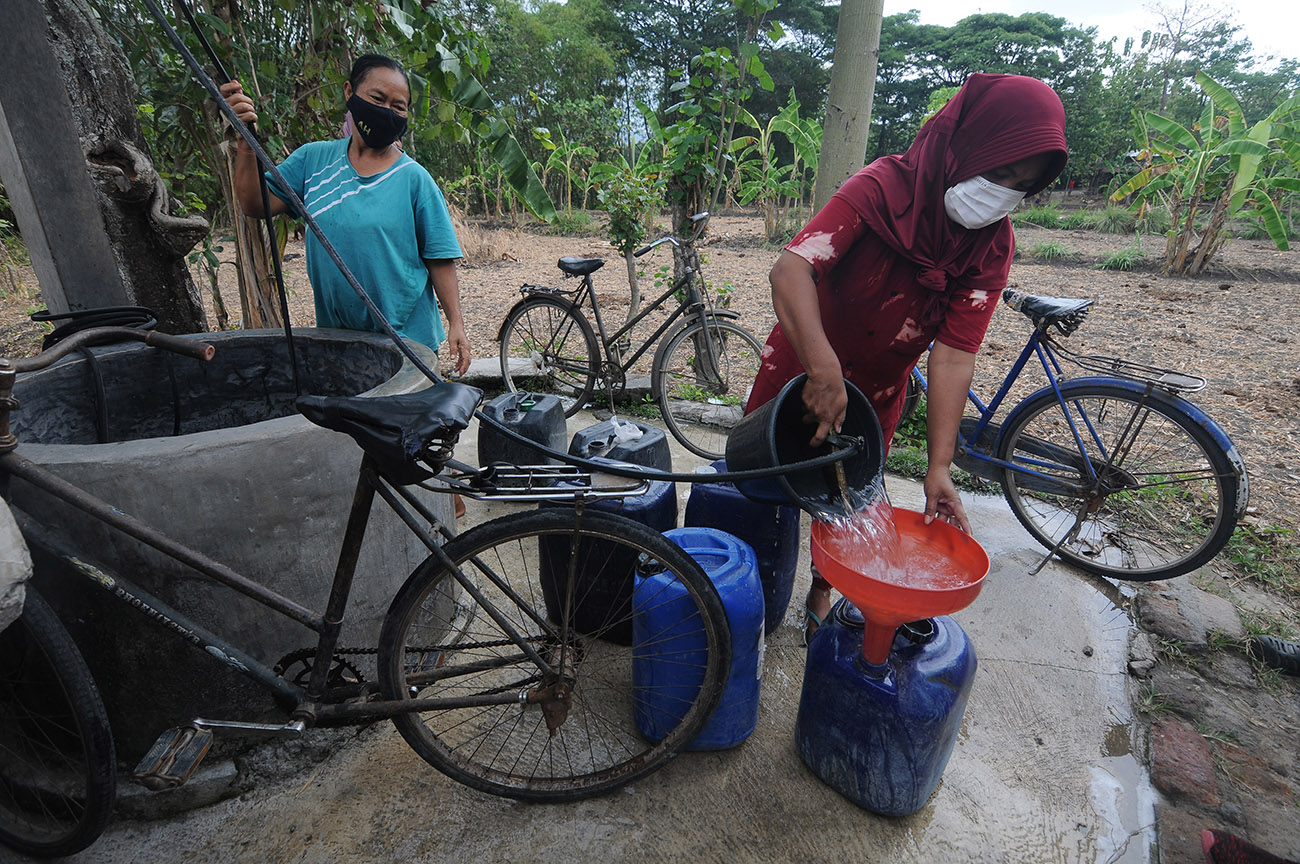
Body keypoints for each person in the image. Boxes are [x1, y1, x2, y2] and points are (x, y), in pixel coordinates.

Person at [746, 73, 1069, 640]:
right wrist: (822, 372)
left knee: (849, 506)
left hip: (875, 395)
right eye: (997, 172)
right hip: (801, 369)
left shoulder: (992, 244)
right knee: (761, 492)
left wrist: (939, 467)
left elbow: (953, 356)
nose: (1000, 193)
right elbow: (791, 269)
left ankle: (822, 594)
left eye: (1019, 186)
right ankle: (748, 594)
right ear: (963, 145)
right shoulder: (882, 188)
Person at [219, 54, 471, 375]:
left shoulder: (414, 179)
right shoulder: (313, 161)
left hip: (409, 342)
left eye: (399, 106)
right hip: (339, 341)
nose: (386, 111)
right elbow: (255, 204)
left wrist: (457, 324)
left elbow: (439, 258)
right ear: (349, 93)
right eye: (377, 99)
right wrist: (245, 141)